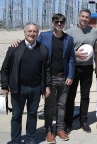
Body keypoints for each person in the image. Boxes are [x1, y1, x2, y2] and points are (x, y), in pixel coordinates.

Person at [0, 22, 51, 144]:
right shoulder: (15, 48)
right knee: (16, 115)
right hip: (18, 88)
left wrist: (47, 86)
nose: (32, 34)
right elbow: (5, 68)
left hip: (36, 88)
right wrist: (4, 86)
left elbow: (47, 70)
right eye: (30, 31)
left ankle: (30, 139)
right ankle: (15, 140)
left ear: (37, 34)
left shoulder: (42, 49)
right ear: (24, 33)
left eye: (35, 32)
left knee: (32, 115)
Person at [40, 14, 75, 143]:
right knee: (49, 106)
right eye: (56, 21)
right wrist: (17, 42)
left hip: (64, 78)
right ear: (52, 22)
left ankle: (60, 129)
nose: (59, 24)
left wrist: (70, 75)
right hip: (50, 78)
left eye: (61, 22)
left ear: (64, 23)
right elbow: (31, 44)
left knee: (61, 105)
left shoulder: (68, 39)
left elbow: (71, 58)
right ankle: (49, 131)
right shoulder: (44, 36)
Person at [64, 9, 97, 134]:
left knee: (85, 95)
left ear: (89, 19)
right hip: (73, 67)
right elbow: (64, 49)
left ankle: (83, 121)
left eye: (87, 17)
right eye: (83, 16)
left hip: (88, 67)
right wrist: (75, 53)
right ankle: (68, 123)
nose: (84, 19)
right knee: (70, 96)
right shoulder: (70, 32)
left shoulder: (94, 32)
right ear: (79, 16)